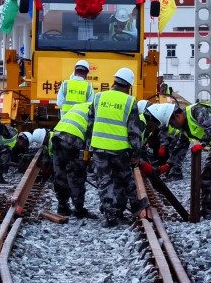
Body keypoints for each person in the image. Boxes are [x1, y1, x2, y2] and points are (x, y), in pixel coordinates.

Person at [149, 102, 211, 219]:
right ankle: (206, 209)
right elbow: (180, 146)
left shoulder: (197, 111)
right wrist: (169, 165)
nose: (173, 127)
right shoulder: (184, 127)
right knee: (206, 175)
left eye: (172, 123)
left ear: (177, 116)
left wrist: (202, 145)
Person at [85, 67, 148, 227]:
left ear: (115, 81)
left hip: (98, 148)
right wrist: (136, 152)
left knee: (105, 182)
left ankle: (111, 217)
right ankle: (135, 205)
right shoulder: (129, 101)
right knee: (125, 178)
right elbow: (134, 131)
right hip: (119, 149)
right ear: (129, 86)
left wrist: (88, 146)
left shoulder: (98, 97)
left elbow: (90, 124)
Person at [51, 101, 96, 218]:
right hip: (74, 140)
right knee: (76, 176)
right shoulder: (97, 110)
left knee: (61, 174)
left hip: (57, 137)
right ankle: (79, 209)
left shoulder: (80, 106)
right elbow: (93, 135)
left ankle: (62, 206)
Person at [139, 102, 189, 180]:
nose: (156, 126)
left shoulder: (154, 118)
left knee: (172, 151)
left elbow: (163, 132)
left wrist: (163, 145)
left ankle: (175, 172)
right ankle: (170, 169)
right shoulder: (143, 123)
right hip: (174, 137)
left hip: (175, 137)